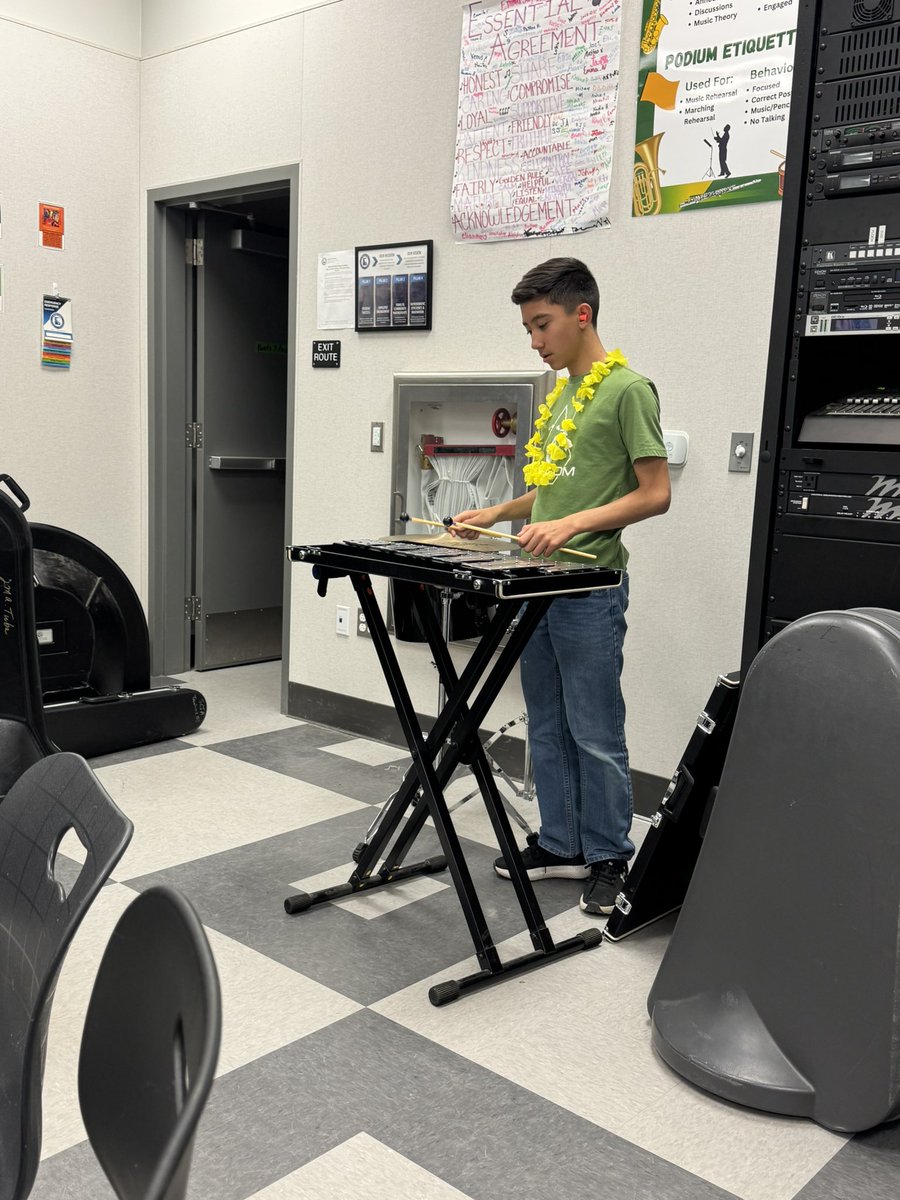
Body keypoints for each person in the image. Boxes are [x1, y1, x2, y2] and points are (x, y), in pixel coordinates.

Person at [451, 257, 670, 915]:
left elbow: (655, 494)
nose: (535, 340)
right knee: (545, 719)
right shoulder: (559, 396)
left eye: (542, 324)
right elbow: (551, 494)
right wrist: (496, 512)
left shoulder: (629, 390)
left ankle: (610, 856)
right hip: (535, 586)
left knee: (595, 729)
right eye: (528, 328)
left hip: (591, 587)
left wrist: (573, 523)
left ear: (582, 315)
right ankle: (560, 842)